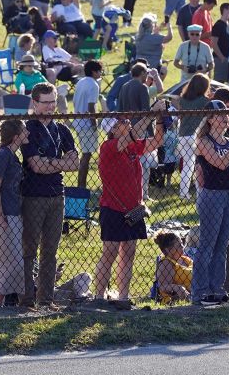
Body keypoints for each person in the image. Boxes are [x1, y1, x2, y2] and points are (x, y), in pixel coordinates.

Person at [93, 104, 166, 307]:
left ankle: (123, 296)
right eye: (122, 122)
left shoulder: (131, 147)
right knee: (110, 251)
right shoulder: (108, 147)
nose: (127, 123)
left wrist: (159, 119)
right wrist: (150, 114)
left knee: (129, 251)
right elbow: (133, 135)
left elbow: (158, 141)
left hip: (133, 208)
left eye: (127, 120)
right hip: (113, 208)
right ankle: (98, 296)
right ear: (113, 130)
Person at [21, 82, 80, 309]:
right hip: (33, 195)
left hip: (58, 194)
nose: (50, 107)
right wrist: (61, 163)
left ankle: (45, 299)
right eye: (45, 103)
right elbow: (35, 165)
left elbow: (74, 164)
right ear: (35, 103)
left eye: (53, 101)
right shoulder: (29, 130)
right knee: (29, 249)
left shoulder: (62, 130)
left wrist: (51, 163)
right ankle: (27, 298)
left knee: (50, 250)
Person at [191, 100, 229, 305]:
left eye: (225, 113)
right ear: (210, 119)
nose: (224, 117)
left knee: (222, 245)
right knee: (208, 244)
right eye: (219, 114)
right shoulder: (203, 141)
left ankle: (217, 288)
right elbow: (220, 164)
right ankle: (200, 292)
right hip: (212, 194)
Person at [0, 119, 27, 305]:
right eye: (24, 131)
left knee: (13, 260)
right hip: (3, 215)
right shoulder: (3, 155)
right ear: (16, 136)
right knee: (10, 261)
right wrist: (0, 217)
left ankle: (14, 302)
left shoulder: (13, 156)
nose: (28, 134)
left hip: (13, 213)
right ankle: (0, 303)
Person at [72, 61, 104, 189]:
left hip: (78, 121)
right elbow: (91, 106)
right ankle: (81, 186)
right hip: (86, 124)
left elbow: (74, 101)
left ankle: (82, 185)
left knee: (86, 153)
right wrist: (94, 122)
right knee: (86, 155)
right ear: (94, 72)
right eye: (99, 71)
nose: (101, 73)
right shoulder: (94, 85)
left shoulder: (81, 82)